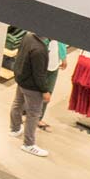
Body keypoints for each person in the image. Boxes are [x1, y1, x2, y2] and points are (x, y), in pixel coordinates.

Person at [10, 30, 53, 158]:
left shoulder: (28, 37)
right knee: (33, 114)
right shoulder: (40, 49)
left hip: (21, 79)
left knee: (17, 103)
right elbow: (39, 74)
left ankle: (15, 129)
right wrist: (45, 90)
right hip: (32, 87)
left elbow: (19, 57)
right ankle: (28, 144)